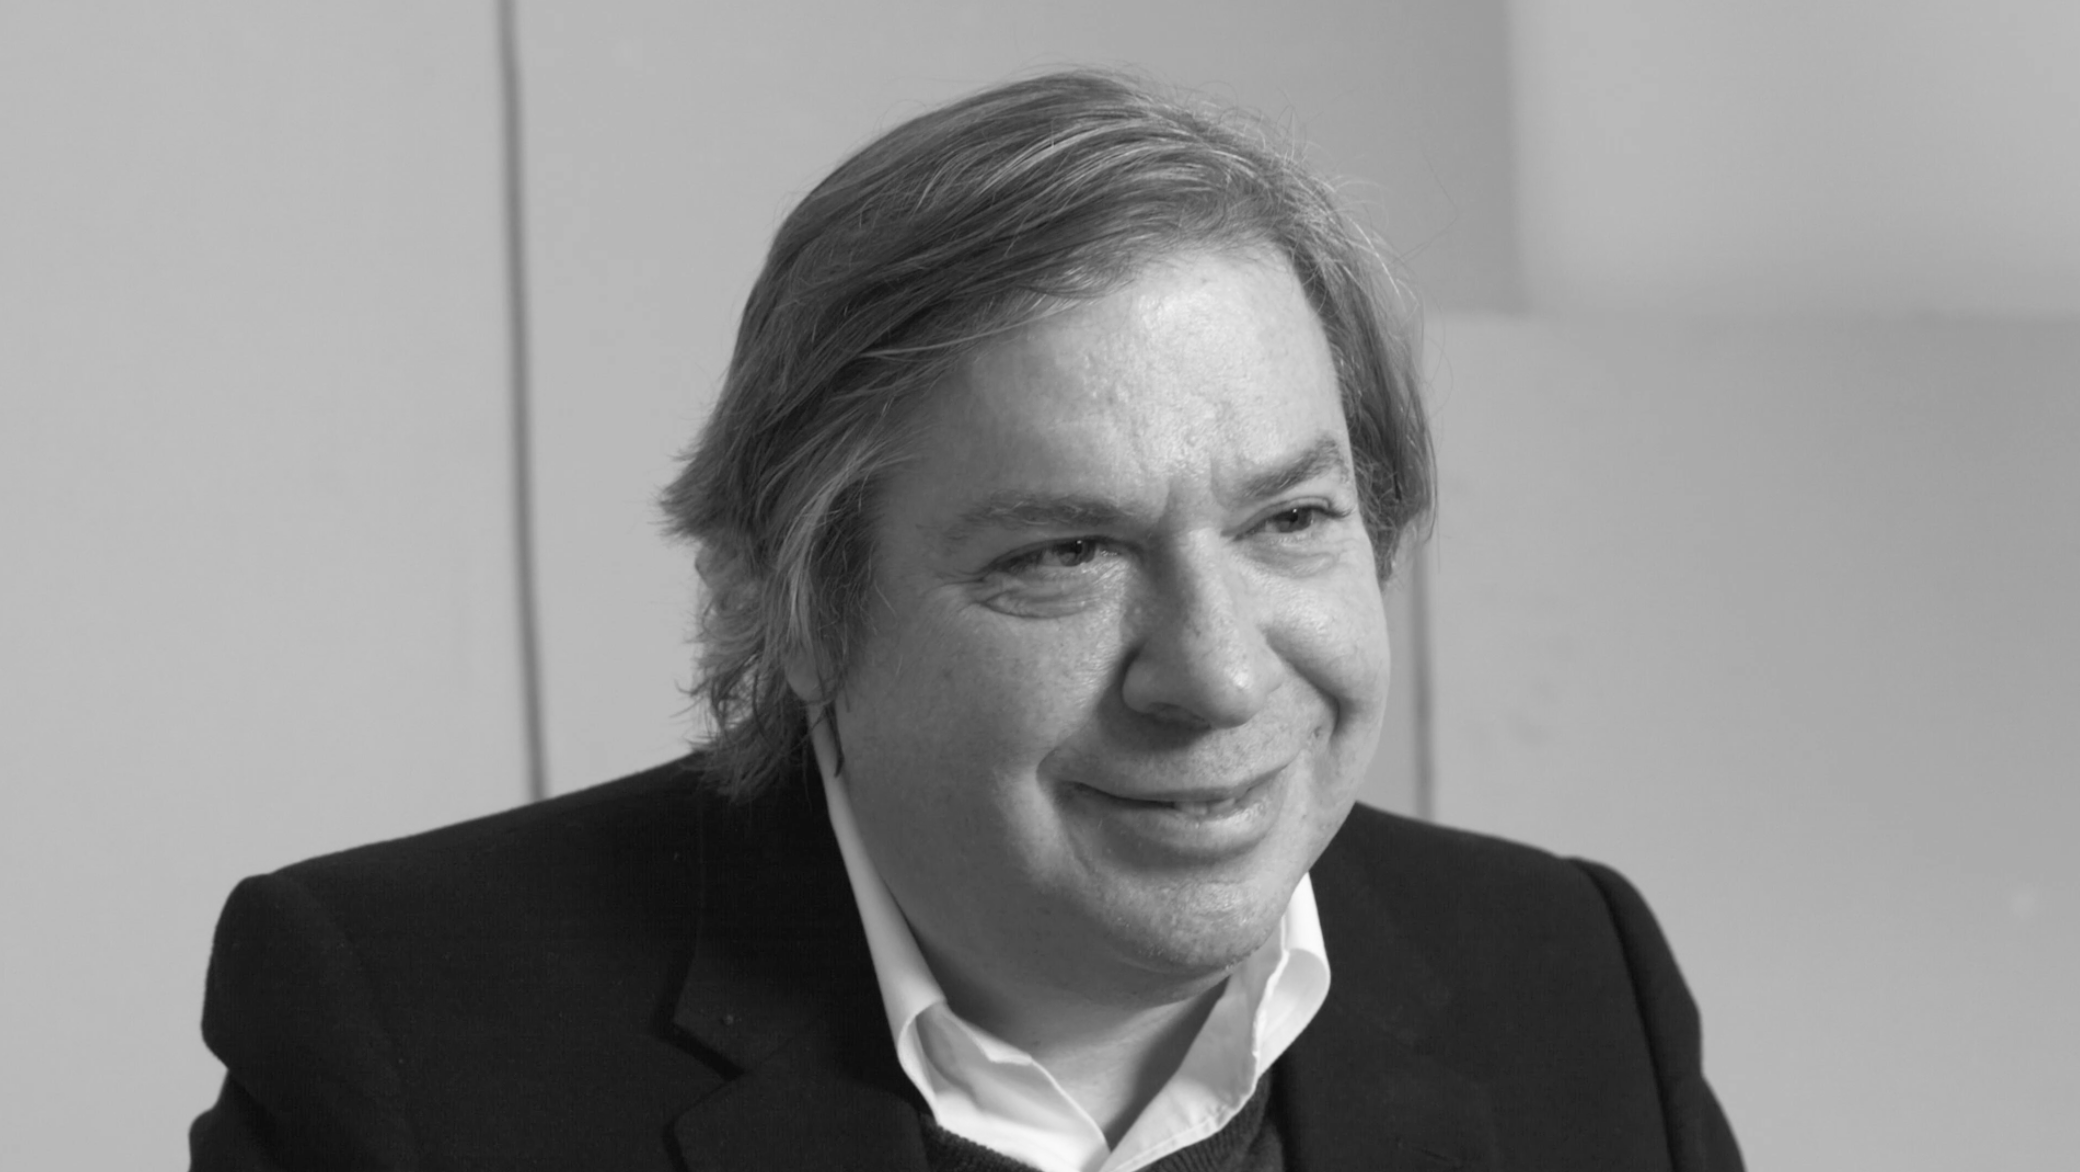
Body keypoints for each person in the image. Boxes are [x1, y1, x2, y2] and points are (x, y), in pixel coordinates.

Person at [190, 70, 1741, 1171]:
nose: (1215, 674)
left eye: (1289, 522)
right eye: (1067, 552)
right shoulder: (405, 1045)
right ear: (796, 609)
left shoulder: (1572, 981)